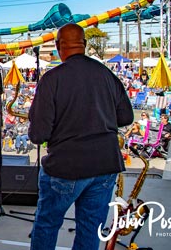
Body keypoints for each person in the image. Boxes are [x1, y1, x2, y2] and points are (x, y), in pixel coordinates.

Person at [28, 24, 133, 249]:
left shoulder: (52, 79)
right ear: (84, 45)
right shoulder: (106, 74)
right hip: (105, 166)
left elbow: (38, 135)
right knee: (90, 227)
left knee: (47, 223)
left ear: (58, 47)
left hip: (66, 166)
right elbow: (126, 116)